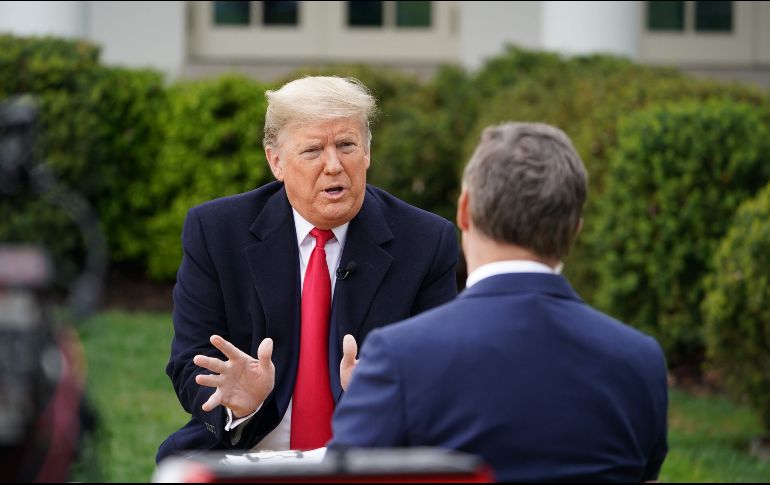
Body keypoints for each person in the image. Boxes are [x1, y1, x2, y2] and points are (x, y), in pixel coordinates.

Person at [329, 122, 669, 482]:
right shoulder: (641, 359)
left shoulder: (399, 357)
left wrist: (368, 395)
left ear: (464, 211)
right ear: (575, 229)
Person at [156, 76, 459, 462]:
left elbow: (441, 378)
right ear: (276, 161)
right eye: (313, 150)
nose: (334, 166)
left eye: (347, 145)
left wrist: (382, 397)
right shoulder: (216, 232)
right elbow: (190, 360)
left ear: (367, 152)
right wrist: (238, 405)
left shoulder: (425, 241)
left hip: (367, 459)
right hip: (248, 455)